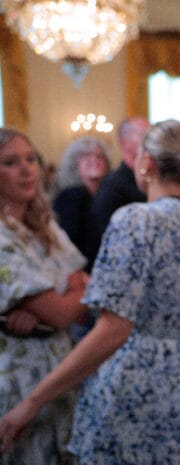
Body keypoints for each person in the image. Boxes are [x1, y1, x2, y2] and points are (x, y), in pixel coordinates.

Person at [0, 120, 180, 465]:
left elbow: (112, 329)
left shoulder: (134, 220)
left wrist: (32, 401)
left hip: (131, 388)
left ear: (146, 162)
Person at [0, 128, 88, 465]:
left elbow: (85, 290)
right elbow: (63, 312)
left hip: (60, 374)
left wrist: (47, 305)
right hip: (17, 379)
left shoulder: (45, 225)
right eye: (10, 162)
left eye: (30, 159)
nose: (26, 169)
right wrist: (63, 298)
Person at [85, 116, 149, 270]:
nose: (152, 142)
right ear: (125, 143)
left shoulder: (148, 181)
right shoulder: (113, 187)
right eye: (145, 136)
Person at [53, 136, 111, 259]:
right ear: (74, 163)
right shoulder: (70, 197)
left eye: (100, 156)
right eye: (86, 156)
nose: (94, 160)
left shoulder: (109, 195)